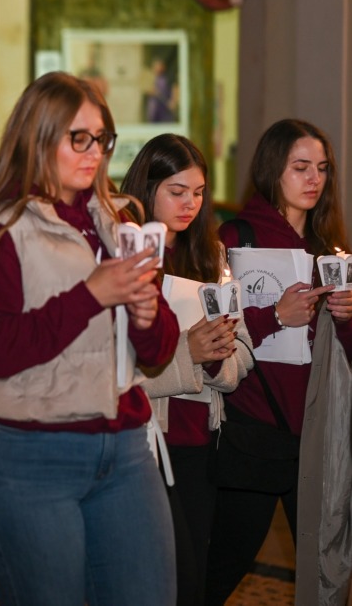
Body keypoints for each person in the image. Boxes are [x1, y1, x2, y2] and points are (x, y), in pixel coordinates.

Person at [0, 71, 179, 605]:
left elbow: (159, 352)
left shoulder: (118, 221)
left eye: (102, 138)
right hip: (32, 458)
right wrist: (91, 294)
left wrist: (146, 316)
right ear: (38, 135)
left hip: (125, 450)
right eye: (80, 138)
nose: (94, 152)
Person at [206, 119, 352, 605]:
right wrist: (274, 315)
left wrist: (347, 316)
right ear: (273, 170)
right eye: (301, 167)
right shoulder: (235, 237)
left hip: (313, 438)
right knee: (224, 564)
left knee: (325, 568)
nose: (314, 179)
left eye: (323, 169)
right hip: (252, 428)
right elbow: (211, 331)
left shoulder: (329, 249)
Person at [120, 134, 253, 605]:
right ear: (146, 186)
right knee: (158, 578)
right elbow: (113, 361)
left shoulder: (211, 256)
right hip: (143, 440)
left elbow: (242, 348)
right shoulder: (125, 256)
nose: (190, 204)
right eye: (177, 191)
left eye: (198, 192)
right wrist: (186, 353)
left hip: (201, 441)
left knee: (193, 577)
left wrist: (217, 359)